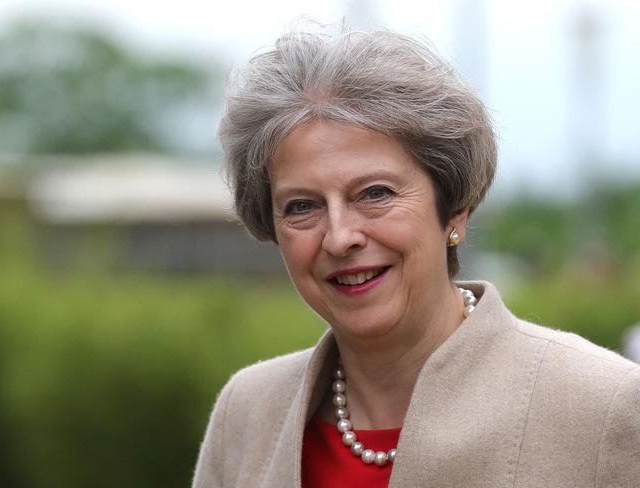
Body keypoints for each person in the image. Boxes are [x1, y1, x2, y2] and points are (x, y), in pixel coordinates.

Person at [192, 26, 640, 488]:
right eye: (302, 206)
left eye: (374, 193)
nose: (340, 237)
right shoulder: (246, 413)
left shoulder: (604, 408)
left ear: (454, 210)